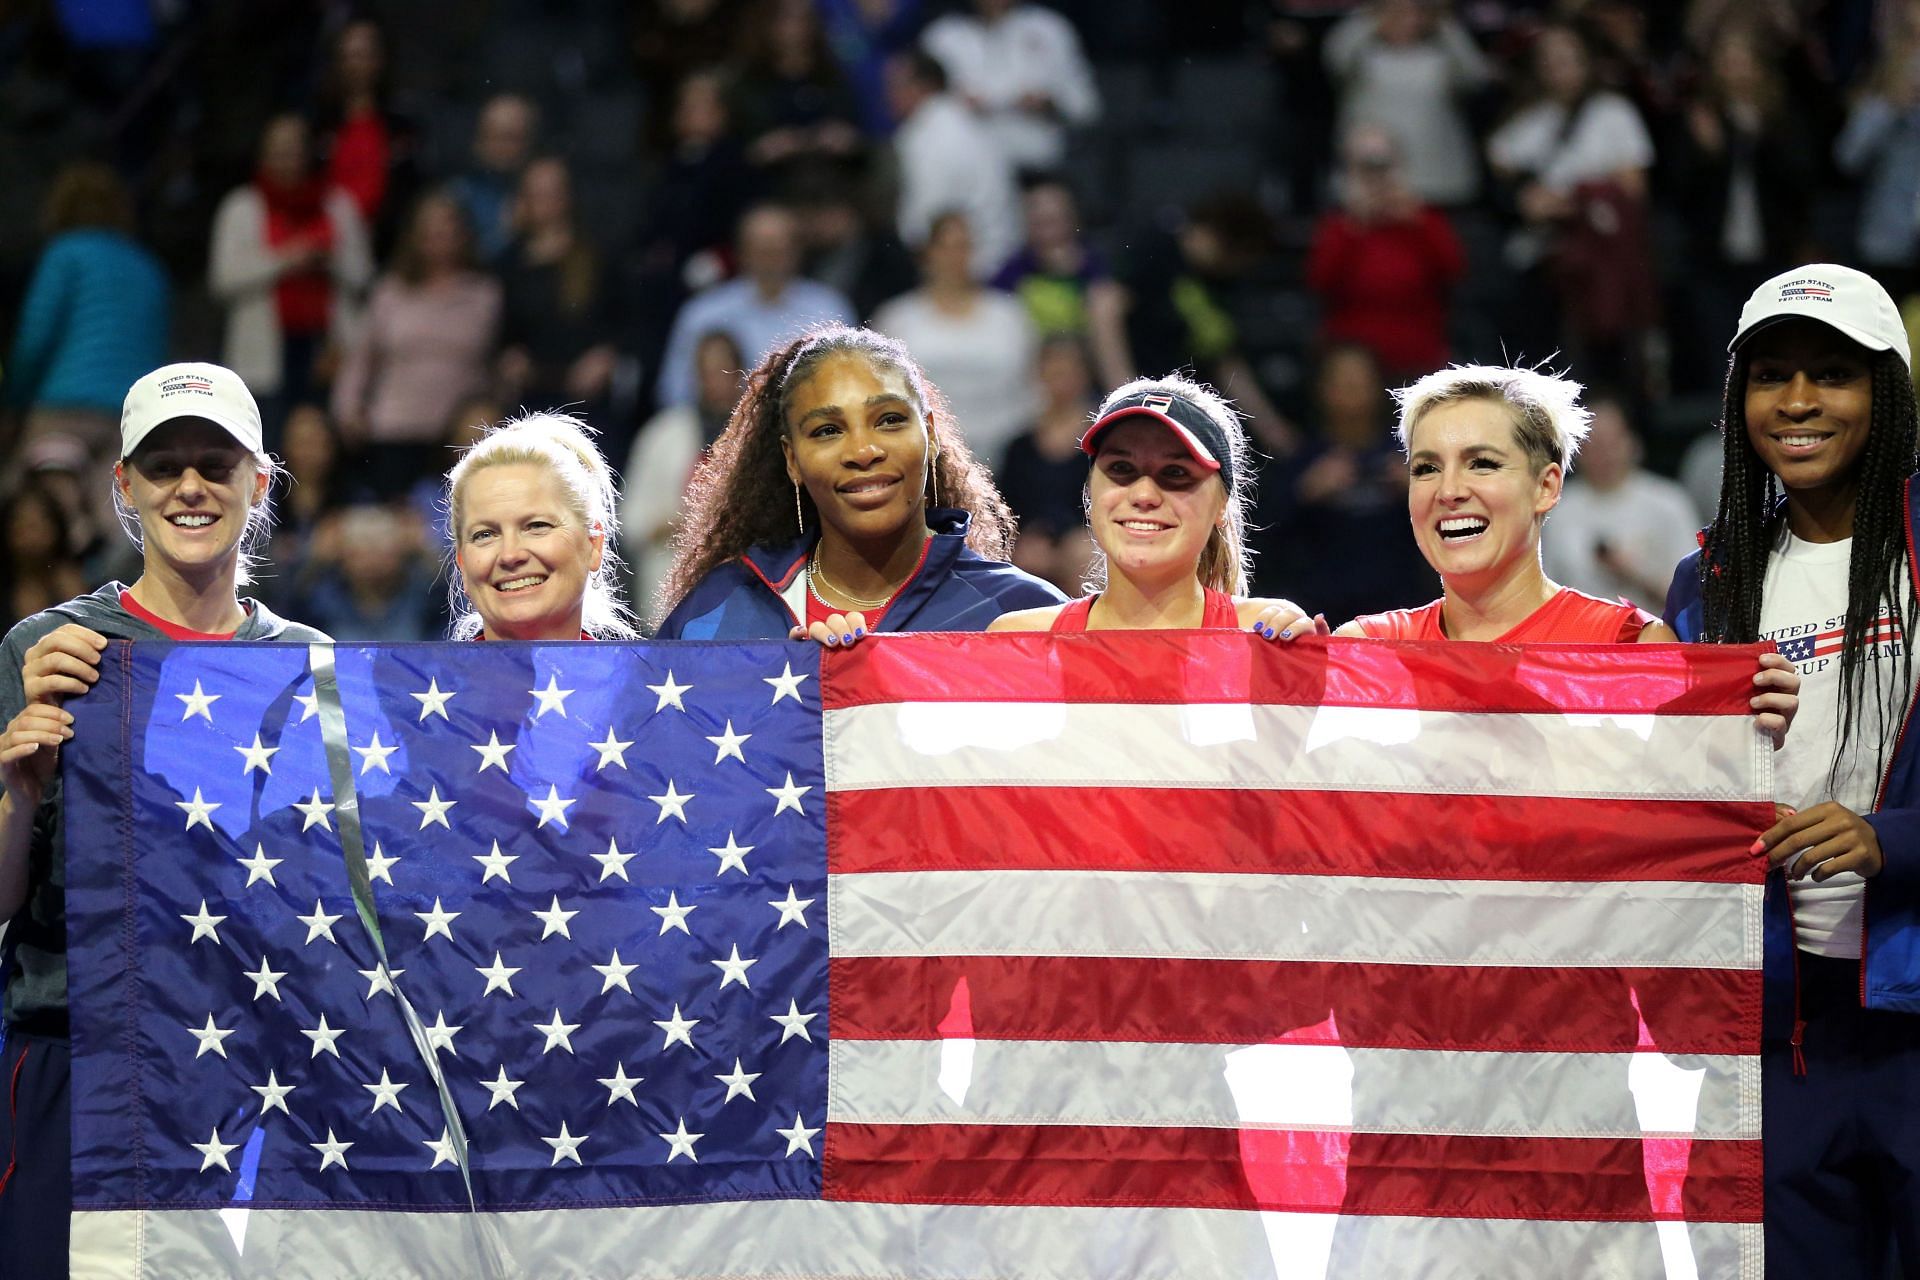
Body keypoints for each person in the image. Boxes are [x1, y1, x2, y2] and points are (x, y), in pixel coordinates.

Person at [0, 363, 327, 1276]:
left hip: (251, 1068)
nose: (190, 487)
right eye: (164, 465)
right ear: (124, 487)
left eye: (216, 465)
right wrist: (22, 789)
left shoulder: (316, 664)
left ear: (260, 483)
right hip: (76, 1053)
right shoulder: (49, 650)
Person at [1663, 263, 1920, 1274]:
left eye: (1833, 374)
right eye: (1772, 376)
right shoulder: (1711, 577)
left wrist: (1888, 839)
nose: (1800, 402)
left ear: (1888, 393)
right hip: (1778, 1033)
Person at [655, 325, 1063, 642]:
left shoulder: (1020, 612)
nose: (863, 451)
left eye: (889, 420)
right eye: (828, 430)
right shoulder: (717, 610)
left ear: (931, 435)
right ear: (792, 460)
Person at [988, 373, 1310, 637]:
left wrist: (1303, 669)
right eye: (1121, 469)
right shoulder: (1019, 640)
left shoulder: (1262, 635)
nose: (1144, 495)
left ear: (1221, 506)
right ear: (1090, 493)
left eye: (1175, 473)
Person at [208, 113, 373, 438]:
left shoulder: (338, 206)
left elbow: (363, 276)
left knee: (325, 441)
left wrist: (327, 259)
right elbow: (223, 279)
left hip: (329, 349)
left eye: (294, 151)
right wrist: (286, 259)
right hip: (265, 356)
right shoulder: (241, 207)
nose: (287, 161)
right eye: (278, 152)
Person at [331, 191, 502, 499]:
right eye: (430, 230)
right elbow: (361, 357)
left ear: (463, 234)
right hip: (394, 429)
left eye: (447, 228)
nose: (439, 238)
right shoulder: (390, 292)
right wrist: (348, 408)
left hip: (461, 436)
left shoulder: (485, 295)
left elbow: (499, 363)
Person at [444, 411, 638, 642]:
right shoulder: (417, 679)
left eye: (537, 526)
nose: (510, 555)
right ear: (463, 565)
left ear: (594, 545)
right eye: (485, 534)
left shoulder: (640, 678)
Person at [871, 211, 1039, 467]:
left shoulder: (1010, 315)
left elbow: (1035, 384)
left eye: (963, 246)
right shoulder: (898, 318)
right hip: (925, 455)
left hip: (1010, 453)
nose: (954, 257)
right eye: (945, 247)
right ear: (927, 253)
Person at [655, 204, 855, 411]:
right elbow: (674, 393)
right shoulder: (704, 313)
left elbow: (849, 384)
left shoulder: (829, 308)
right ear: (742, 252)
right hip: (720, 430)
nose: (770, 260)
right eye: (762, 250)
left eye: (779, 249)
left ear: (797, 251)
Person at [1542, 390, 1699, 608]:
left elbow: (1695, 596)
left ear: (1633, 442)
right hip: (1579, 637)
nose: (1603, 454)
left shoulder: (1669, 502)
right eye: (1592, 443)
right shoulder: (1554, 507)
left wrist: (1635, 572)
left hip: (1654, 635)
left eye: (1612, 442)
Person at [918, 0, 1100, 175]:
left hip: (1038, 169)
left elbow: (1086, 108)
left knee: (1050, 203)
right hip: (964, 170)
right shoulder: (942, 37)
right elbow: (917, 105)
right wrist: (954, 105)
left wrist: (1050, 103)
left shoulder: (1051, 29)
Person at [885, 49, 1021, 279]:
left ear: (923, 86)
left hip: (969, 270)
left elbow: (922, 221)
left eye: (894, 85)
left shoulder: (929, 135)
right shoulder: (967, 122)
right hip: (998, 259)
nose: (887, 95)